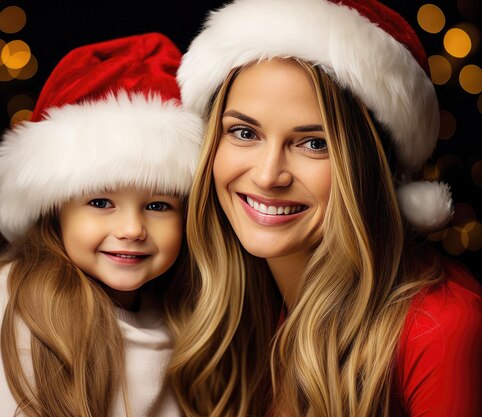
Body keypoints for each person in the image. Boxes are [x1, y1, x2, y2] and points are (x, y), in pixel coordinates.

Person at [168, 0, 482, 416]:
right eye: (244, 132)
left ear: (367, 166)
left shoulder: (442, 327)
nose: (267, 175)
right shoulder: (233, 310)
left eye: (314, 143)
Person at [0, 32, 203, 417]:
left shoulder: (180, 318)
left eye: (158, 205)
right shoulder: (18, 305)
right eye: (101, 202)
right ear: (56, 209)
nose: (132, 228)